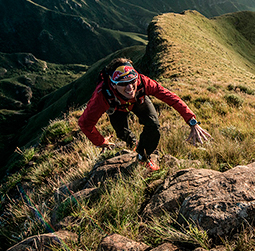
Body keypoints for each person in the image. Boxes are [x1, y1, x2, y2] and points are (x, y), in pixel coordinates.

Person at [78, 57, 211, 171]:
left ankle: (143, 157)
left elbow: (171, 98)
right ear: (113, 85)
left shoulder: (143, 82)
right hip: (116, 107)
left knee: (153, 125)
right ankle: (133, 143)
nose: (130, 88)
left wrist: (191, 120)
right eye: (123, 84)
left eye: (132, 82)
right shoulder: (102, 96)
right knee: (122, 133)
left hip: (138, 100)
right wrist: (100, 142)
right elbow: (85, 123)